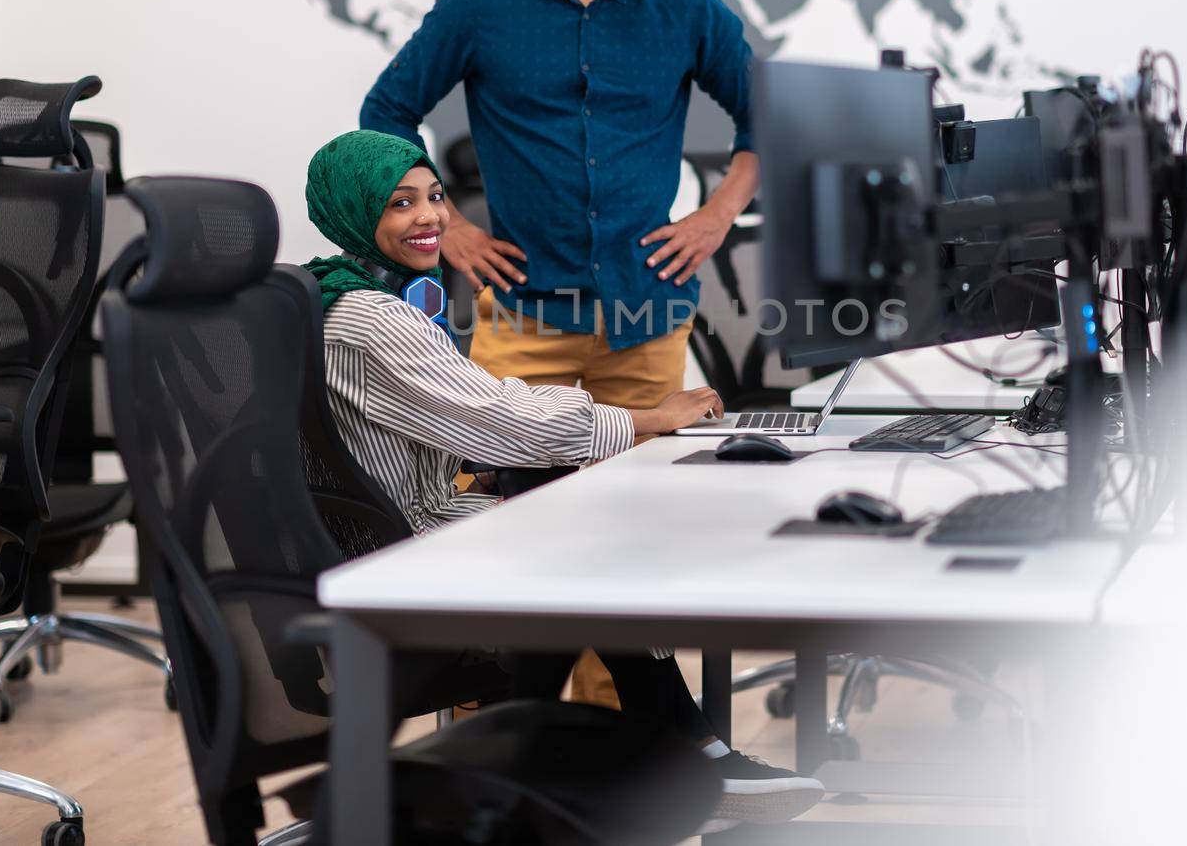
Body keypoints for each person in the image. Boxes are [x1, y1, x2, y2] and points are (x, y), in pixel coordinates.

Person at [302, 130, 824, 830]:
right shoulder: (372, 316)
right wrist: (646, 418)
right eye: (400, 204)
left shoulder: (332, 291)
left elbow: (440, 418)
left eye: (433, 197)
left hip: (375, 531)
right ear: (352, 209)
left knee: (569, 518)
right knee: (587, 544)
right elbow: (506, 417)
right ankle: (670, 760)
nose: (428, 217)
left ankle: (641, 760)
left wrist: (522, 447)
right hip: (399, 552)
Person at [359, 0, 758, 705]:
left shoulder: (688, 12)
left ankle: (616, 761)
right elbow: (384, 112)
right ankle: (485, 753)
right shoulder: (482, 6)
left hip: (646, 317)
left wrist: (718, 215)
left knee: (625, 544)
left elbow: (767, 121)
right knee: (505, 539)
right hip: (522, 318)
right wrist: (448, 228)